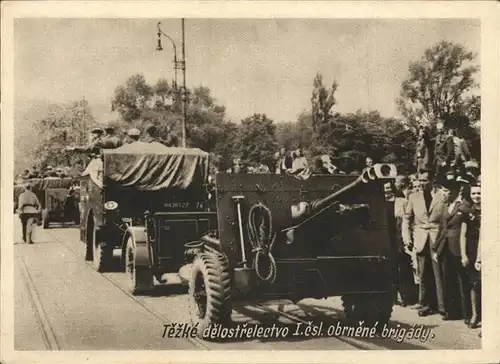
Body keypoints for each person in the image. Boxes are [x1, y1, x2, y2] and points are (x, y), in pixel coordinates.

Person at [403, 170, 447, 317]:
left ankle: (442, 306)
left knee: (438, 272)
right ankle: (425, 304)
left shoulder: (441, 196)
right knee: (423, 272)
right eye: (420, 181)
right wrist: (407, 237)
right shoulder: (413, 197)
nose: (421, 184)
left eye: (424, 181)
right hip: (420, 237)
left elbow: (444, 218)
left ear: (432, 181)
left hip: (436, 237)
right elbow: (407, 218)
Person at [434, 173, 472, 322]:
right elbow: (442, 229)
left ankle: (467, 314)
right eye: (442, 190)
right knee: (447, 279)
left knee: (462, 281)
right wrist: (436, 249)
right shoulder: (445, 206)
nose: (443, 194)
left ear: (454, 191)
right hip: (445, 247)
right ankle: (451, 312)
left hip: (459, 247)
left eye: (446, 191)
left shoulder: (463, 205)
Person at [392, 176, 419, 306]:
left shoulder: (407, 198)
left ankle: (409, 296)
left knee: (406, 265)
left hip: (406, 232)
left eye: (396, 182)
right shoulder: (398, 198)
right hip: (399, 233)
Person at [461, 183, 481, 329]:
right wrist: (463, 254)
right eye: (474, 193)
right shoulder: (467, 212)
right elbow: (463, 235)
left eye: (479, 193)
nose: (476, 196)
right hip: (472, 249)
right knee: (474, 284)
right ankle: (475, 314)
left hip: (487, 248)